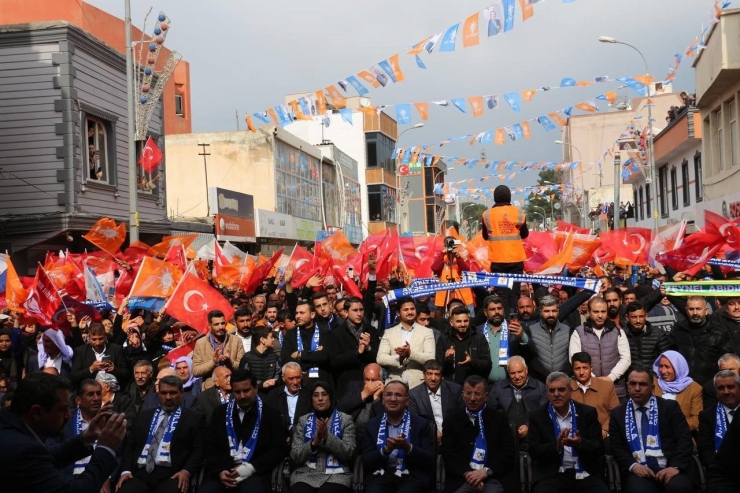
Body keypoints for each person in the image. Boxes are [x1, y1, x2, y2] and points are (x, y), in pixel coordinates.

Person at [0, 373, 127, 492]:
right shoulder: (22, 450)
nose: (68, 415)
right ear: (37, 412)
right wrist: (105, 449)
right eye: (62, 409)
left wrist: (85, 438)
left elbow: (47, 456)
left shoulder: (11, 430)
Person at [199, 370, 288, 493]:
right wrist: (220, 470)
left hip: (255, 473)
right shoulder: (220, 413)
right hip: (223, 472)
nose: (242, 396)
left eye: (246, 391)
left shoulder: (271, 414)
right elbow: (210, 446)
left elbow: (279, 448)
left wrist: (251, 468)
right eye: (237, 392)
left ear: (256, 388)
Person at [608, 367, 694, 493]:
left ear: (652, 388)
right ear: (627, 386)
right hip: (638, 472)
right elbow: (616, 447)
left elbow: (684, 439)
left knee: (678, 487)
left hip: (670, 467)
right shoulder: (618, 414)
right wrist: (633, 466)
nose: (637, 388)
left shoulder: (669, 408)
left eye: (642, 384)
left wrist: (675, 466)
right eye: (633, 384)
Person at [116, 375, 205, 493]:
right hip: (140, 473)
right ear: (158, 394)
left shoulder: (194, 419)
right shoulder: (144, 416)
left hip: (172, 474)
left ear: (181, 393)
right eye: (164, 393)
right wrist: (125, 471)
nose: (168, 397)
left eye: (173, 393)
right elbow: (130, 446)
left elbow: (199, 449)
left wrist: (186, 471)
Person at [527, 372, 609, 493]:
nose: (556, 394)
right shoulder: (537, 416)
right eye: (552, 390)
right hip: (551, 475)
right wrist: (556, 446)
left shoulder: (587, 413)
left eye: (561, 390)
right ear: (547, 393)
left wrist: (580, 443)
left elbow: (599, 448)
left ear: (570, 391)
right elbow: (533, 451)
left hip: (585, 472)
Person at [441, 375, 516, 493]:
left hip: (493, 476)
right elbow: (448, 454)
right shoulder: (452, 421)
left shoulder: (499, 419)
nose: (472, 398)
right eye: (468, 393)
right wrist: (469, 475)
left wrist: (485, 472)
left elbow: (507, 452)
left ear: (486, 396)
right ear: (462, 395)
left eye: (477, 394)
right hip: (463, 478)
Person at [361, 380, 435, 493]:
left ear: (407, 401)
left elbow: (430, 459)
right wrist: (385, 450)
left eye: (398, 395)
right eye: (389, 394)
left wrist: (408, 448)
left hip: (411, 474)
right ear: (383, 400)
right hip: (380, 474)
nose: (393, 399)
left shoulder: (421, 424)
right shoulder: (372, 424)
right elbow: (366, 460)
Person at [289, 381, 356, 493]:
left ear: (331, 397)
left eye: (324, 394)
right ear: (311, 399)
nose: (320, 398)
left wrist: (327, 437)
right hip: (305, 475)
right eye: (316, 395)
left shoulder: (345, 419)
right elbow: (295, 456)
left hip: (337, 475)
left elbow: (348, 453)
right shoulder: (303, 420)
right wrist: (313, 443)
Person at [570, 297, 631, 400]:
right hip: (587, 390)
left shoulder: (618, 331)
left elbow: (626, 358)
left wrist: (610, 378)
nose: (600, 315)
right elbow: (574, 358)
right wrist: (594, 380)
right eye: (596, 312)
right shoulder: (578, 333)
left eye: (603, 311)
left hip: (615, 390)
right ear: (589, 312)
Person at [481, 185, 529, 310]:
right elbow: (525, 234)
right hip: (516, 259)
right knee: (514, 293)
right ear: (510, 197)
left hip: (497, 260)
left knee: (502, 293)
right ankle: (514, 320)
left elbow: (485, 236)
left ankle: (504, 321)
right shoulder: (519, 213)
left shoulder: (487, 214)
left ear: (494, 198)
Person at [669, 297, 735, 386]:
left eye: (698, 309)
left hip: (710, 384)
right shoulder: (678, 329)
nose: (695, 313)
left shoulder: (719, 332)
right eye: (691, 309)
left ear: (706, 310)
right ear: (686, 310)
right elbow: (669, 354)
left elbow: (726, 361)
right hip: (682, 384)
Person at [325, 296, 380, 397]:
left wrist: (368, 349)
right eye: (355, 310)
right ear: (346, 312)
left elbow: (379, 357)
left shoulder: (371, 331)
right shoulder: (336, 334)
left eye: (361, 310)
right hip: (346, 387)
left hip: (370, 385)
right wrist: (357, 352)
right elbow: (334, 361)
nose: (359, 314)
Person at [376, 297, 436, 389]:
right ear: (398, 313)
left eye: (412, 309)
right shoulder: (389, 332)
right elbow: (380, 358)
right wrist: (400, 358)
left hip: (418, 385)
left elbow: (430, 357)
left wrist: (410, 353)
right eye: (406, 310)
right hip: (394, 384)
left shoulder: (426, 332)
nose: (410, 312)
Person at [487, 355, 547, 442]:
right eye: (513, 373)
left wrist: (529, 426)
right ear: (508, 373)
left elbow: (544, 414)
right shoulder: (498, 388)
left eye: (520, 371)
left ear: (526, 369)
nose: (517, 376)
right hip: (504, 440)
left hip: (533, 440)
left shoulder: (540, 388)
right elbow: (490, 413)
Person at [476, 295, 532, 384]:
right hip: (485, 384)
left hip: (510, 384)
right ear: (485, 312)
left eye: (499, 308)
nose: (497, 312)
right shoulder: (477, 331)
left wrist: (522, 336)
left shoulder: (516, 327)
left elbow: (531, 352)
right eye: (492, 309)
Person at [409, 359, 463, 445]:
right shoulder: (414, 394)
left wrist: (447, 435)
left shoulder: (455, 390)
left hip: (453, 437)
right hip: (427, 439)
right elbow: (415, 422)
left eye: (437, 374)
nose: (433, 378)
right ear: (423, 375)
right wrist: (433, 433)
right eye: (429, 374)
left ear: (442, 376)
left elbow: (461, 417)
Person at [569, 352, 619, 440]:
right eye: (577, 368)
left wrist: (605, 429)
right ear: (572, 369)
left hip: (602, 437)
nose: (581, 372)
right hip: (574, 437)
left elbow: (616, 412)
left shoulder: (607, 386)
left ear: (591, 368)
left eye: (585, 368)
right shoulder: (566, 387)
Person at [281, 300, 333, 385]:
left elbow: (325, 356)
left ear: (312, 314)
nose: (298, 316)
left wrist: (299, 355)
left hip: (321, 382)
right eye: (296, 313)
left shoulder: (325, 332)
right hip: (298, 383)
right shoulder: (290, 334)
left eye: (301, 313)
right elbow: (285, 360)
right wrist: (314, 355)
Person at [524, 296, 574, 382]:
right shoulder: (531, 330)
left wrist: (561, 376)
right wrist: (545, 375)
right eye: (547, 311)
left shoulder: (568, 330)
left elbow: (570, 356)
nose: (551, 314)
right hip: (539, 382)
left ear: (558, 311)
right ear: (540, 312)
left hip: (563, 380)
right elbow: (531, 358)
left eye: (553, 311)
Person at [652, 351, 703, 433]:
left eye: (667, 367)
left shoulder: (694, 389)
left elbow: (696, 419)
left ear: (678, 367)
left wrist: (673, 428)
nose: (663, 371)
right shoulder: (653, 383)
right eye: (661, 366)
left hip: (681, 435)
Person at [192, 310, 245, 390]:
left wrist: (229, 361)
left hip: (233, 387)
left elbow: (242, 368)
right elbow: (196, 371)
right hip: (210, 389)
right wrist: (213, 362)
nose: (221, 327)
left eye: (222, 323)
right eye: (216, 324)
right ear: (209, 326)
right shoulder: (201, 343)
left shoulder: (236, 341)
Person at [438, 306, 492, 385]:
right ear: (451, 322)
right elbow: (437, 366)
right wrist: (446, 359)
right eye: (459, 321)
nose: (463, 324)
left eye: (465, 321)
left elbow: (488, 365)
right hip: (450, 387)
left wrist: (472, 362)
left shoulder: (479, 338)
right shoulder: (444, 339)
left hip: (473, 387)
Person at [697, 370, 740, 467]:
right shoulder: (707, 416)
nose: (726, 392)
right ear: (715, 391)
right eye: (720, 388)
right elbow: (705, 451)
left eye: (730, 387)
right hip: (721, 471)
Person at [70, 322, 129, 388]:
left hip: (112, 390)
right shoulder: (80, 351)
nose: (97, 343)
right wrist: (91, 369)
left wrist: (114, 369)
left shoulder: (116, 349)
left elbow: (126, 374)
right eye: (94, 339)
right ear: (89, 338)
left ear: (105, 336)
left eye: (100, 339)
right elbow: (73, 377)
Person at [336, 363, 384, 441]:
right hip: (352, 434)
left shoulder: (385, 392)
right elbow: (340, 408)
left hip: (372, 437)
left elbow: (383, 420)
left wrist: (376, 398)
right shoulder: (354, 386)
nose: (370, 384)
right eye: (367, 379)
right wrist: (363, 395)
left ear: (381, 380)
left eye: (374, 380)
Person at [266, 361, 312, 433]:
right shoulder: (273, 395)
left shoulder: (309, 394)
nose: (295, 382)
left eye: (298, 378)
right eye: (291, 378)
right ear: (283, 378)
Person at [625, 302, 671, 369]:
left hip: (652, 377)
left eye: (641, 316)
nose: (638, 320)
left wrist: (655, 376)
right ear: (627, 318)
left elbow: (665, 358)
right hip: (630, 377)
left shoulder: (658, 334)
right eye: (634, 317)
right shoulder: (622, 335)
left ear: (646, 316)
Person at [238, 326, 280, 395]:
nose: (273, 339)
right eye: (271, 337)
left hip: (271, 395)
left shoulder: (274, 357)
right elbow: (242, 379)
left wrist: (274, 381)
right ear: (262, 340)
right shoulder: (248, 358)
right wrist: (261, 384)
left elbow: (279, 374)